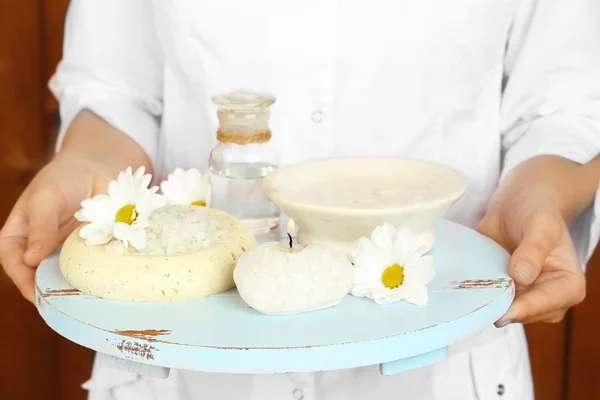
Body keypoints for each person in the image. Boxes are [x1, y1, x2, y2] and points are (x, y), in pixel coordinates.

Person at [1, 0, 600, 399]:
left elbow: (562, 108)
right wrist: (85, 165)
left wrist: (541, 193)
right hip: (182, 367)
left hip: (439, 361)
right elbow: (116, 88)